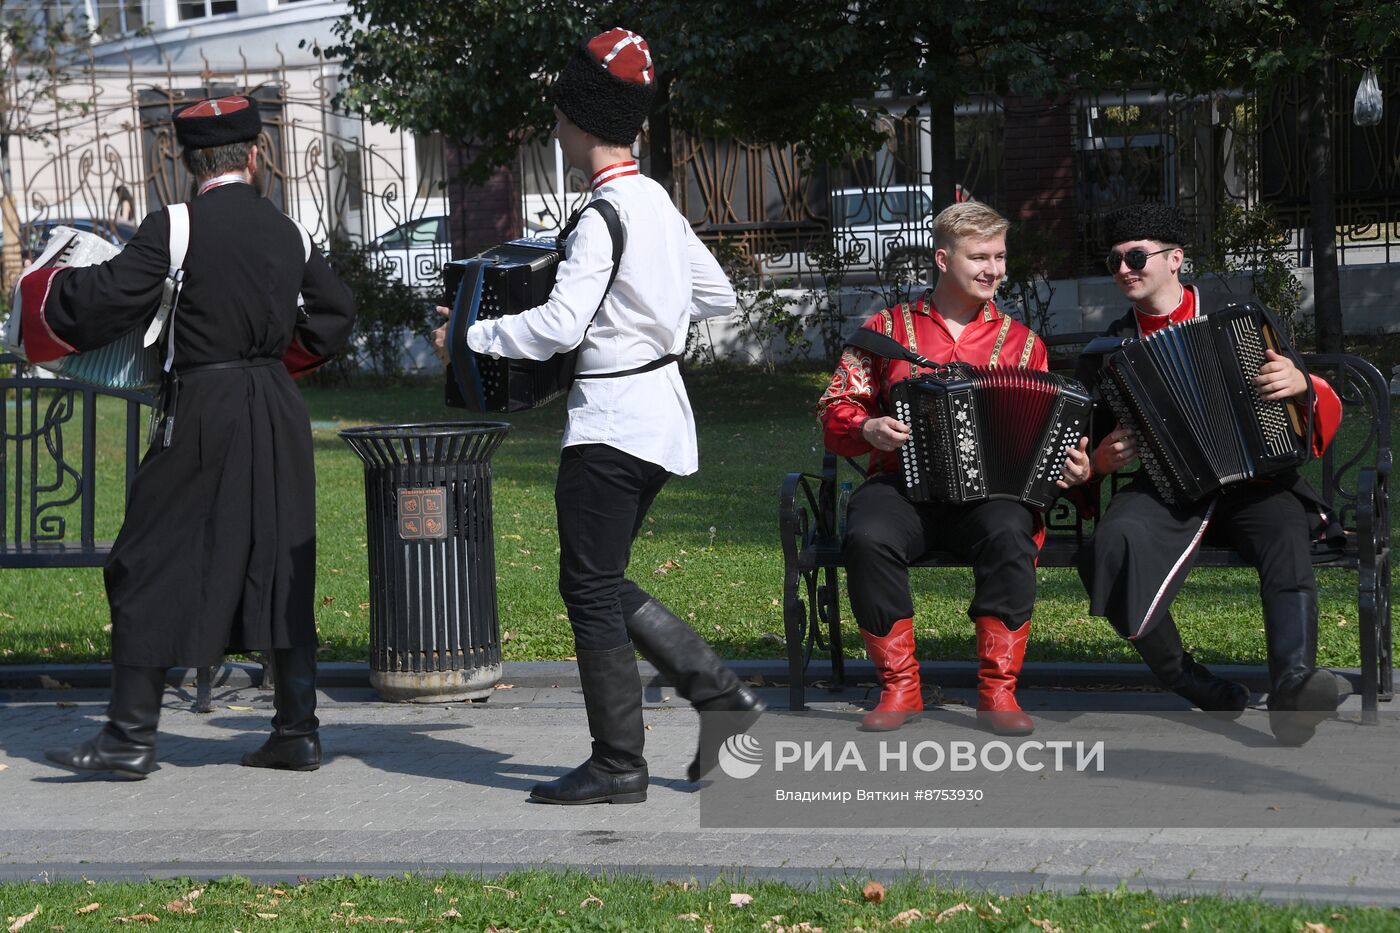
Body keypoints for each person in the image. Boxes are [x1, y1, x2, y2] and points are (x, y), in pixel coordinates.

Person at [432, 27, 762, 805]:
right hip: (660, 416)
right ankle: (719, 702)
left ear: (582, 125)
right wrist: (656, 318)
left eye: (560, 119)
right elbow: (719, 296)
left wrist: (467, 335)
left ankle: (624, 760)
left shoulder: (601, 215)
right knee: (598, 578)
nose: (556, 130)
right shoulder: (656, 205)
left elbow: (557, 325)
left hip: (614, 419)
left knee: (587, 585)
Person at [26, 96, 356, 778]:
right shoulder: (288, 230)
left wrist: (41, 288)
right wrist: (274, 360)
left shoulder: (174, 226)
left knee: (145, 558)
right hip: (276, 407)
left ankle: (127, 739)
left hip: (204, 407)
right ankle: (297, 730)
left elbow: (105, 298)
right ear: (254, 157)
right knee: (280, 563)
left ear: (183, 159)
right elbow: (334, 316)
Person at [817, 201, 1092, 736]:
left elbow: (1046, 434)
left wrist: (1070, 463)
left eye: (1000, 257)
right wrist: (867, 428)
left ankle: (998, 692)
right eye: (980, 257)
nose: (994, 269)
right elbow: (835, 411)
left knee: (1012, 532)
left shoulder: (1023, 344)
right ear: (943, 259)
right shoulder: (884, 330)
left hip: (992, 497)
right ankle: (900, 687)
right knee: (868, 535)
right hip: (899, 487)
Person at [1076, 203, 1343, 746]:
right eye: (1114, 260)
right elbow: (1086, 444)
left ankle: (1293, 690)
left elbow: (1306, 400)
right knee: (1111, 542)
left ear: (1175, 259)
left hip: (1255, 478)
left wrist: (1301, 383)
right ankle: (1187, 679)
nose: (1123, 268)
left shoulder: (1238, 317)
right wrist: (1101, 461)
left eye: (1135, 257)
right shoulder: (1107, 349)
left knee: (1286, 538)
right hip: (1167, 487)